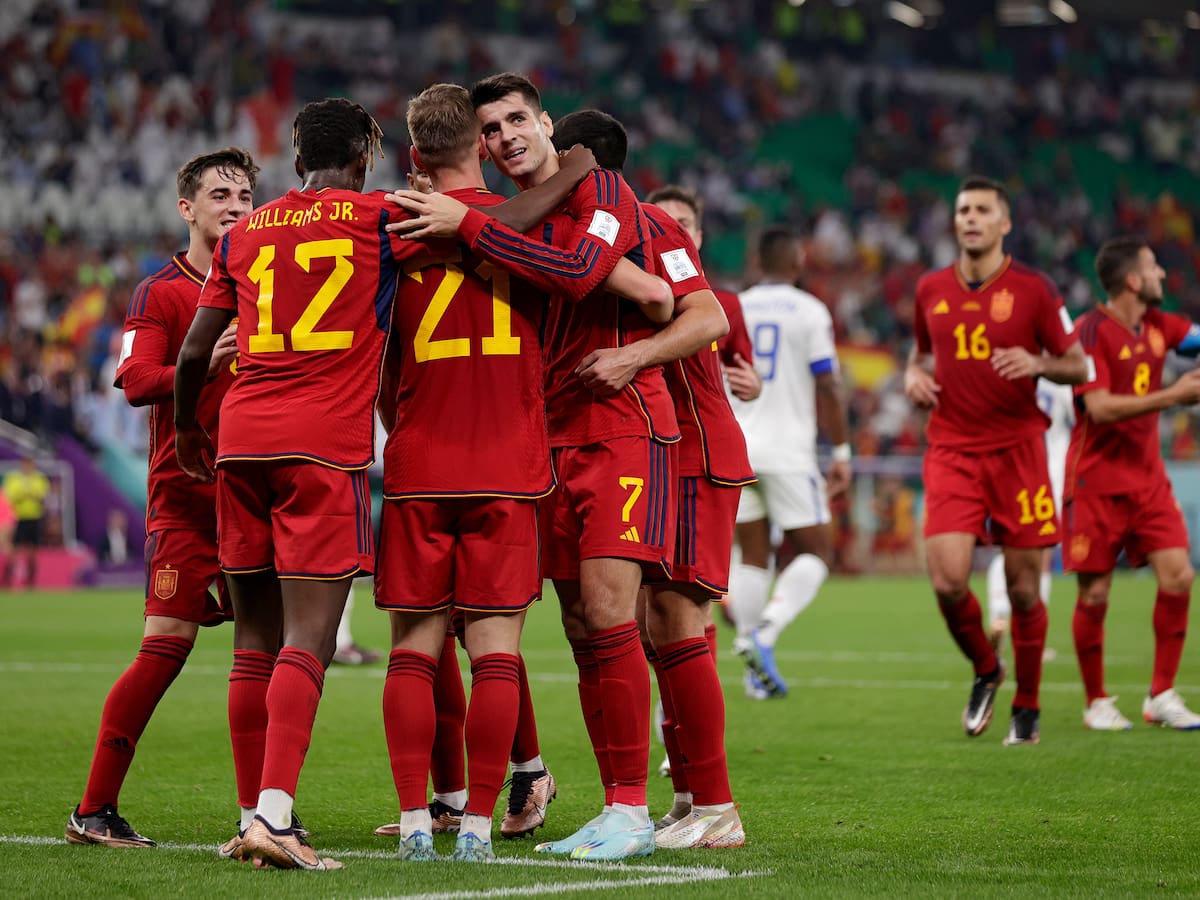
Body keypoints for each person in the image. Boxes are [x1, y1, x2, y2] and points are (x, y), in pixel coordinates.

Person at [391, 73, 682, 861]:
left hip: (619, 428)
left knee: (611, 608)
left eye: (519, 117)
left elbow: (592, 274)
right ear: (476, 147)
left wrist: (468, 224)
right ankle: (607, 802)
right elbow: (627, 285)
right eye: (490, 128)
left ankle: (634, 807)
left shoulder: (605, 189)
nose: (507, 134)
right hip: (541, 439)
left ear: (546, 120)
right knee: (582, 624)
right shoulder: (522, 209)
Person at [371, 83, 610, 863]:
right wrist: (572, 169)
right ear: (480, 147)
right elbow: (576, 275)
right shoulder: (527, 228)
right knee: (497, 650)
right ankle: (478, 822)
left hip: (418, 463)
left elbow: (377, 362)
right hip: (510, 464)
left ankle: (415, 820)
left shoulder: (392, 231)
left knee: (414, 649)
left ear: (414, 160)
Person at [174, 98, 401, 871]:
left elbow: (193, 352)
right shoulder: (378, 218)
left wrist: (186, 431)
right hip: (320, 450)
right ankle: (274, 818)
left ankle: (249, 815)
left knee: (251, 644)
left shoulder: (245, 234)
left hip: (240, 442)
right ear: (364, 158)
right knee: (309, 641)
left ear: (296, 157)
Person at [542, 112, 745, 851]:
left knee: (674, 625)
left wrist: (634, 359)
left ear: (578, 160)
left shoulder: (647, 225)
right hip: (643, 446)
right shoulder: (580, 229)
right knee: (629, 627)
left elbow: (709, 319)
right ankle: (686, 798)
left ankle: (715, 806)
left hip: (685, 448)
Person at [64, 148, 257, 849]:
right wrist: (209, 354)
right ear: (187, 208)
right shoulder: (160, 292)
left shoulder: (269, 285)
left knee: (264, 656)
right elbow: (136, 378)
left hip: (256, 499)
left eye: (243, 195)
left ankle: (257, 817)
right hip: (185, 503)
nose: (234, 206)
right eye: (218, 195)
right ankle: (92, 810)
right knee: (164, 650)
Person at [905, 175, 1086, 745]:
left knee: (1026, 590)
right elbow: (919, 355)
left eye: (983, 210)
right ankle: (988, 667)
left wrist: (1037, 363)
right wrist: (912, 375)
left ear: (1005, 223)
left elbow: (1078, 366)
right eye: (963, 210)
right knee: (948, 580)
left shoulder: (1034, 289)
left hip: (1019, 452)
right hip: (953, 448)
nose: (971, 219)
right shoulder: (930, 288)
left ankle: (1027, 708)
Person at [1062, 236, 1200, 731]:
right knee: (1095, 593)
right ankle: (1096, 701)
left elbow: (1197, 338)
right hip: (1095, 481)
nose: (1163, 272)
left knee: (1179, 575)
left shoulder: (1162, 326)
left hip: (1148, 481)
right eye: (1154, 266)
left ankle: (1161, 695)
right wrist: (1173, 395)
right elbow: (1097, 408)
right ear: (1133, 280)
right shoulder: (1090, 332)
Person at [724, 226, 851, 699]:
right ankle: (766, 632)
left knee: (753, 555)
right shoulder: (810, 311)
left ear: (758, 262)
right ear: (797, 265)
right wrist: (840, 451)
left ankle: (750, 666)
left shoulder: (733, 305)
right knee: (819, 552)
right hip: (789, 450)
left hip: (738, 447)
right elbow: (829, 385)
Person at [986, 378, 1074, 657]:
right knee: (1041, 554)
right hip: (1050, 472)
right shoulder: (1060, 377)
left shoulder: (1012, 371)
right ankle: (1036, 634)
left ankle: (999, 609)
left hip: (1012, 466)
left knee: (1008, 546)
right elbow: (1081, 414)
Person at [2, 455, 51, 588]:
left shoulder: (39, 478)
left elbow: (41, 495)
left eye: (30, 464)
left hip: (34, 518)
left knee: (33, 551)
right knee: (15, 549)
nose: (27, 467)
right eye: (25, 464)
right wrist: (27, 494)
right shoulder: (14, 478)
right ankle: (8, 579)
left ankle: (31, 580)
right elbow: (10, 496)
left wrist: (25, 494)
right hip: (19, 518)